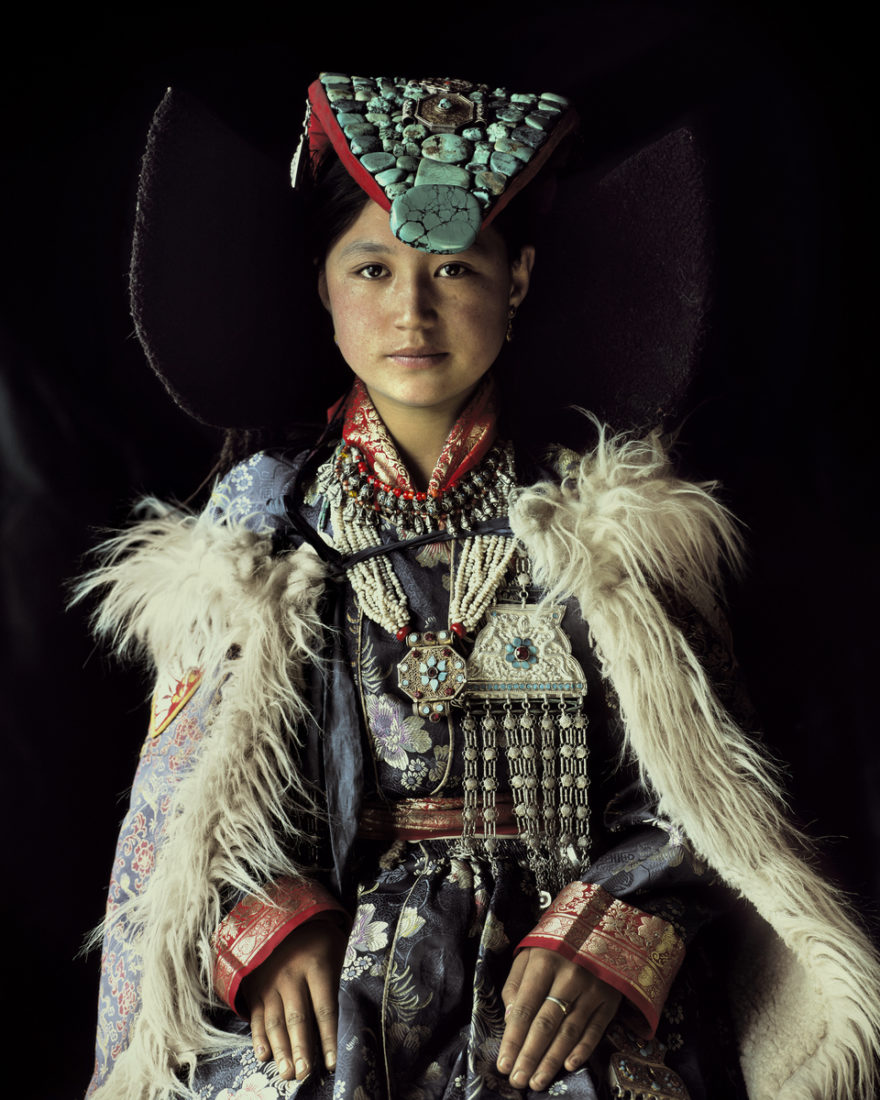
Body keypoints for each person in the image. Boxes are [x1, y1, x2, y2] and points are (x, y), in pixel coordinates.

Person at [80, 73, 880, 1100]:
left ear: (518, 279)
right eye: (371, 266)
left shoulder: (603, 538)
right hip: (340, 971)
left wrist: (608, 931)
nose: (411, 309)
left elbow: (704, 789)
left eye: (453, 266)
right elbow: (199, 799)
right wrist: (272, 924)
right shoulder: (266, 543)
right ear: (321, 285)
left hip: (562, 963)